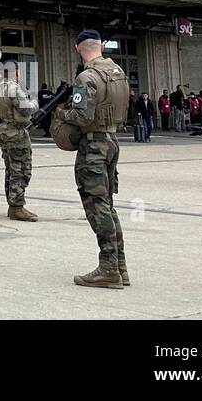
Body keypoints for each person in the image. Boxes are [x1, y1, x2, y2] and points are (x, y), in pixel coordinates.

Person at [56, 30, 129, 289]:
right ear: (100, 46)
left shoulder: (86, 77)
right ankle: (120, 266)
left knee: (97, 206)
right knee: (108, 204)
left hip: (93, 146)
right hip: (112, 141)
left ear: (79, 48)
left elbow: (82, 117)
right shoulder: (119, 73)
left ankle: (108, 269)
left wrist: (62, 114)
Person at [0, 70, 37, 222]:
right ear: (16, 72)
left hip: (5, 129)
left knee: (11, 168)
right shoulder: (14, 88)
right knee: (21, 169)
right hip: (16, 132)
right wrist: (35, 103)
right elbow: (25, 109)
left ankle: (12, 203)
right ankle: (16, 207)